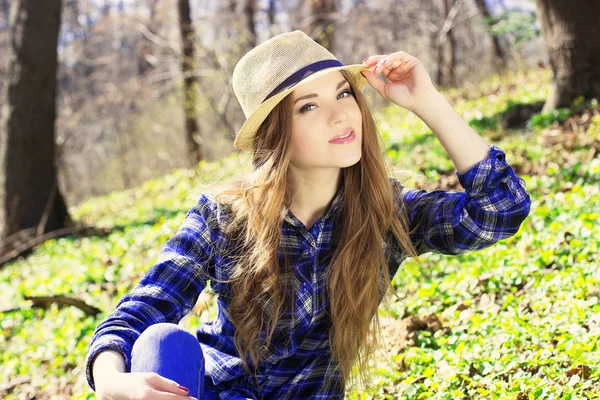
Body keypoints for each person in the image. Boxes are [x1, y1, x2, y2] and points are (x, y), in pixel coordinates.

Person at [85, 30, 531, 400]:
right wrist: (108, 381)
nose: (341, 115)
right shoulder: (224, 216)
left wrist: (427, 101)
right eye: (309, 106)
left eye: (343, 93)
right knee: (164, 342)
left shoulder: (383, 214)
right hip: (212, 390)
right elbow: (140, 310)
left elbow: (498, 211)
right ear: (275, 133)